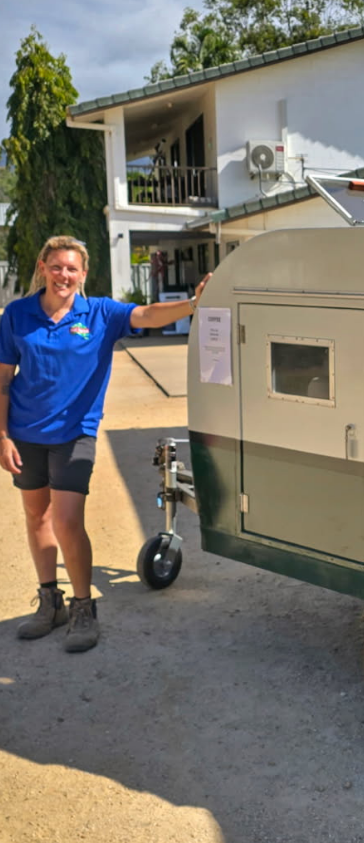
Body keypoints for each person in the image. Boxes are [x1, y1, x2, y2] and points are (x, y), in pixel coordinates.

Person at [0, 236, 212, 653]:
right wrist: (3, 435)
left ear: (84, 274)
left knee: (65, 520)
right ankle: (50, 603)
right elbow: (3, 379)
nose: (64, 275)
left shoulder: (100, 313)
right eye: (57, 266)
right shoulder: (17, 315)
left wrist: (192, 304)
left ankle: (83, 607)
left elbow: (147, 314)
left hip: (76, 433)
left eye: (72, 269)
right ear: (43, 267)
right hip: (25, 433)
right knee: (35, 517)